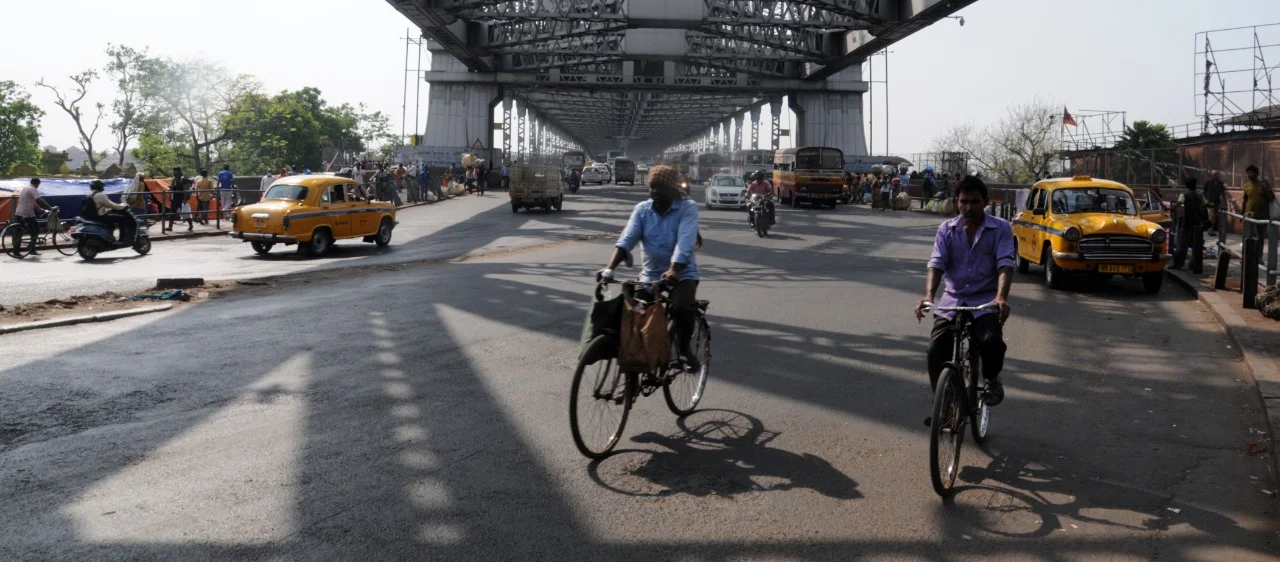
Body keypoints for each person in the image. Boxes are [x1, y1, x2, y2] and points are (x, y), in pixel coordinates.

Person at [914, 176, 1014, 406]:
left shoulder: (1001, 228)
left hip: (985, 301)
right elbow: (936, 264)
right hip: (953, 300)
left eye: (975, 202)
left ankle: (991, 378)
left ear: (985, 202)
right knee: (935, 351)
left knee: (992, 343)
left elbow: (1005, 265)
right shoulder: (946, 230)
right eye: (964, 202)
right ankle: (944, 403)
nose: (969, 207)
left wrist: (1001, 298)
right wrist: (929, 296)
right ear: (957, 202)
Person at [598, 165, 702, 373]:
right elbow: (626, 240)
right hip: (650, 276)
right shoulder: (642, 210)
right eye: (652, 188)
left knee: (682, 307)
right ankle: (635, 364)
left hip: (681, 274)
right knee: (634, 310)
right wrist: (609, 269)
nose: (654, 192)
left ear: (672, 190)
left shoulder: (687, 208)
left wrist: (675, 269)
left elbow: (685, 241)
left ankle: (683, 350)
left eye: (659, 188)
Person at [1173, 177, 1207, 273]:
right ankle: (1194, 264)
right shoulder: (1200, 195)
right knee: (1196, 244)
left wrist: (1170, 208)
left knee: (1182, 244)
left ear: (1186, 185)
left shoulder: (1184, 194)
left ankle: (1178, 264)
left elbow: (1178, 204)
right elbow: (1207, 204)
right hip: (1197, 223)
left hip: (1187, 222)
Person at [13, 178, 55, 255]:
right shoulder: (32, 189)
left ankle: (16, 252)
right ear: (37, 184)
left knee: (18, 232)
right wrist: (50, 208)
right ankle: (31, 249)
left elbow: (33, 203)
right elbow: (39, 200)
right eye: (38, 185)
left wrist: (40, 210)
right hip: (27, 214)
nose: (38, 186)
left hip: (19, 212)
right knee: (35, 230)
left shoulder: (25, 188)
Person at [1242, 164, 1275, 262]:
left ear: (1257, 174)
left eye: (1251, 173)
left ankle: (1259, 257)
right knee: (1248, 237)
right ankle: (1246, 257)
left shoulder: (1263, 185)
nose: (1249, 175)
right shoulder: (1246, 186)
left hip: (1262, 216)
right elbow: (1245, 200)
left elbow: (1271, 198)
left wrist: (1268, 188)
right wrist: (1242, 213)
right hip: (1249, 216)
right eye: (1248, 173)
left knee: (1260, 238)